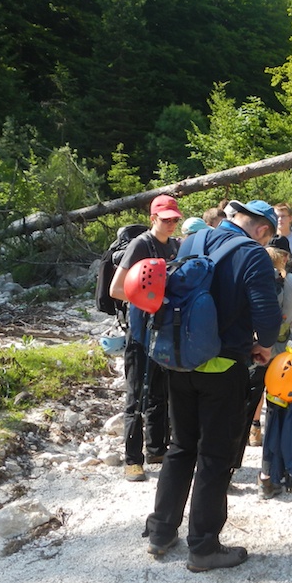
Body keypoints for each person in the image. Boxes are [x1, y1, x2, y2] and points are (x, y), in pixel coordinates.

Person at [144, 199, 282, 572]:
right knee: (215, 455)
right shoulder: (253, 254)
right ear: (263, 230)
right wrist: (265, 345)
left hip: (180, 361)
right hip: (222, 367)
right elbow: (267, 315)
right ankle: (204, 547)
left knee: (181, 446)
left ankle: (160, 531)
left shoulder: (192, 240)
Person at [109, 194, 183, 482]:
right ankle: (132, 459)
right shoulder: (141, 245)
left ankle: (156, 449)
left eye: (174, 219)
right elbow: (116, 289)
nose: (171, 224)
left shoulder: (175, 246)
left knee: (161, 392)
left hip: (165, 331)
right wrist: (149, 300)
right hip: (140, 332)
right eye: (166, 220)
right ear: (153, 218)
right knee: (137, 394)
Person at [240, 243, 292, 499]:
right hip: (284, 360)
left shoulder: (250, 277)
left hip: (252, 353)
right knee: (276, 417)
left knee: (242, 412)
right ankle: (269, 477)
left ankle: (225, 471)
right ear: (284, 258)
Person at [273, 203, 292, 277]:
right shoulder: (269, 239)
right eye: (277, 216)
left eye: (283, 216)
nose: (280, 219)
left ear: (291, 218)